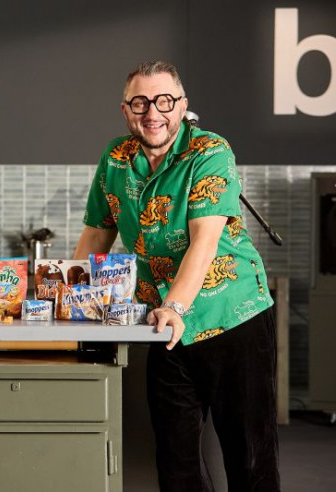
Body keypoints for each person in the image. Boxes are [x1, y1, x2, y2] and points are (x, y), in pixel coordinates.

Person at [73, 61, 280, 491]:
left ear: (182, 106)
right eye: (141, 102)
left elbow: (204, 241)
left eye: (164, 101)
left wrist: (175, 306)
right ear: (125, 109)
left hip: (232, 316)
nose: (153, 112)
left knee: (249, 460)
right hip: (165, 327)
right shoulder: (116, 158)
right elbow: (96, 234)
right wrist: (67, 296)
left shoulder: (210, 152)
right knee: (175, 464)